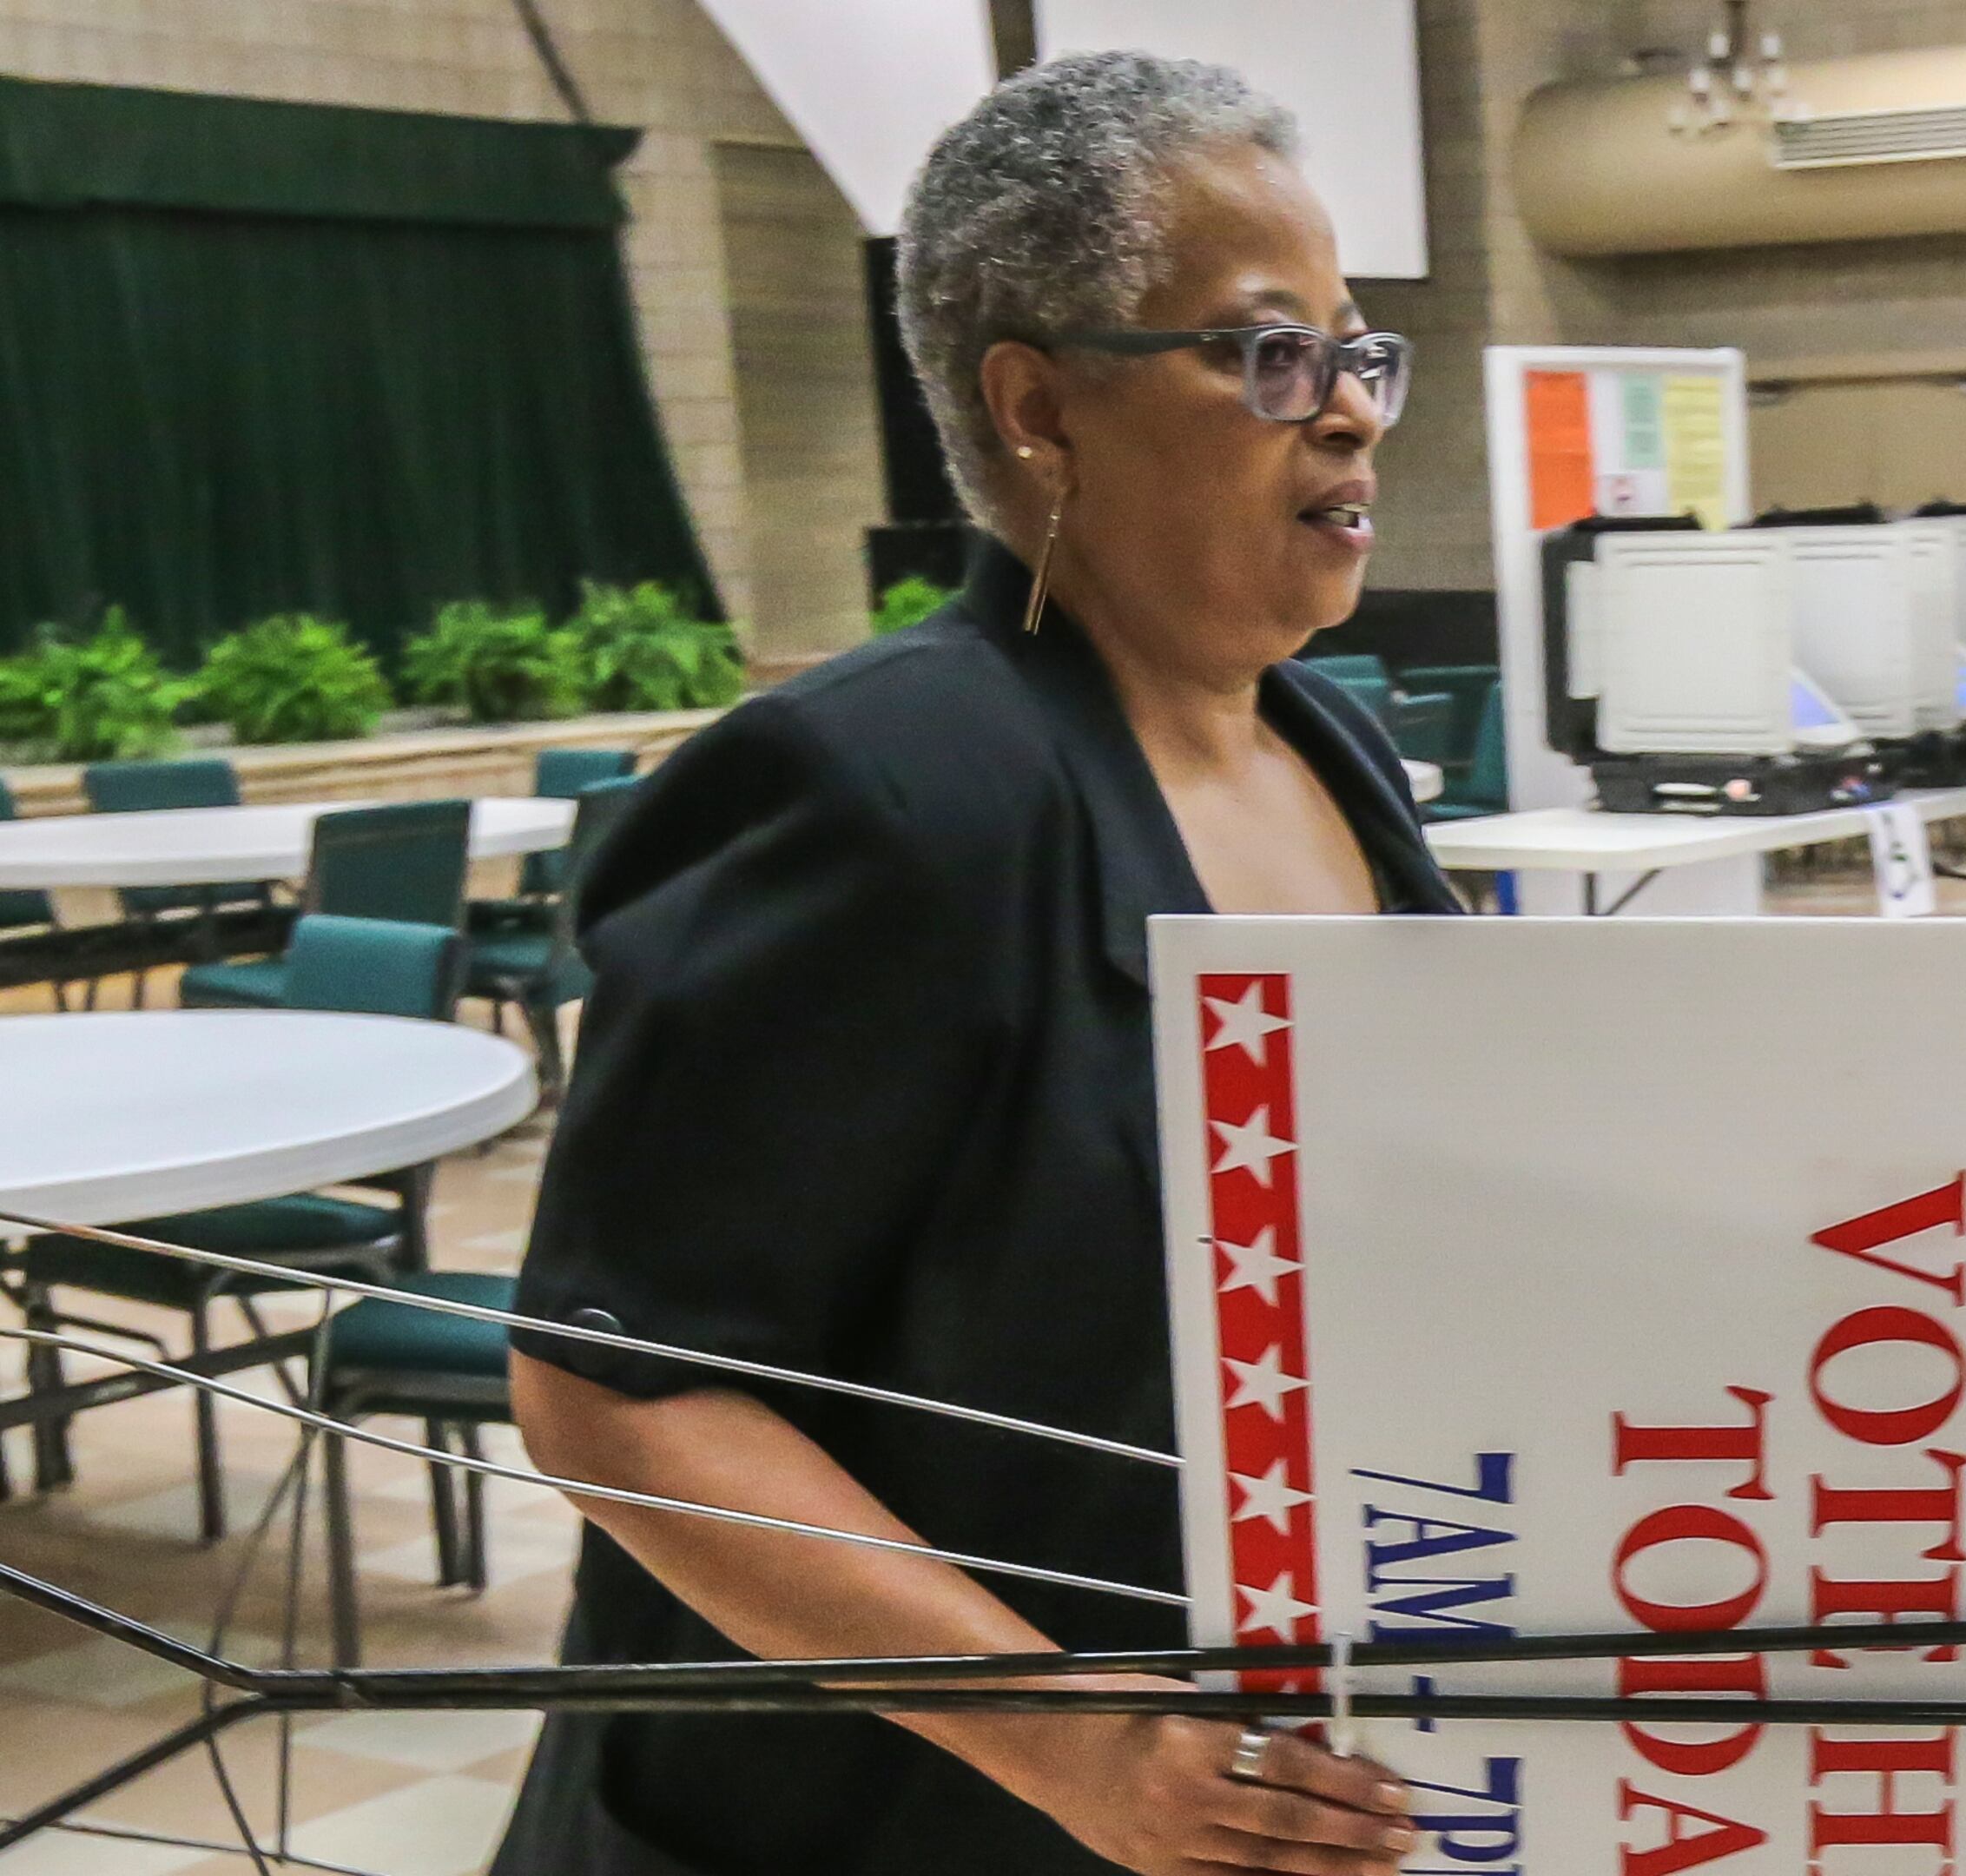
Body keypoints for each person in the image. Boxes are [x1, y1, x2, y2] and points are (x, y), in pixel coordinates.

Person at [492, 52, 1448, 1876]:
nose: (1346, 415)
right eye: (1267, 352)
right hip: (892, 1823)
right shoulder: (877, 788)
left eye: (1356, 352)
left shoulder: (1332, 744)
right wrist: (1079, 1750)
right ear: (1039, 407)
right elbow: (612, 1386)